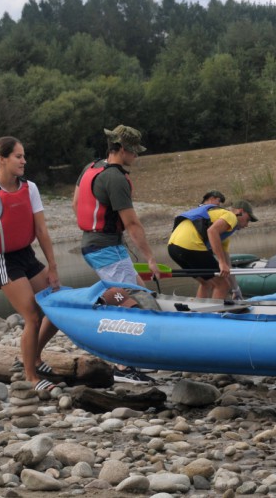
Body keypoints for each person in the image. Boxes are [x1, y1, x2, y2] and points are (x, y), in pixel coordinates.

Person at [72, 124, 160, 385]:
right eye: (133, 152)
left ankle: (139, 353)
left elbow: (76, 204)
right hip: (105, 248)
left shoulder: (91, 167)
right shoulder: (116, 178)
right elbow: (132, 223)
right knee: (129, 301)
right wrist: (151, 259)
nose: (136, 156)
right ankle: (123, 366)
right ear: (120, 149)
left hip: (100, 244)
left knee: (141, 290)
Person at [0, 137, 61, 391]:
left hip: (26, 254)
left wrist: (53, 266)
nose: (24, 161)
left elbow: (42, 230)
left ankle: (34, 356)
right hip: (2, 260)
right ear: (2, 159)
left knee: (57, 304)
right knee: (32, 316)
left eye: (24, 156)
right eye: (18, 156)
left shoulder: (30, 187)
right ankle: (31, 376)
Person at [168, 199, 257, 299]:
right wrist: (221, 263)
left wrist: (236, 290)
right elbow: (212, 231)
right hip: (190, 245)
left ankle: (199, 312)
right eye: (248, 219)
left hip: (173, 247)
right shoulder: (231, 216)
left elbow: (228, 266)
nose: (247, 225)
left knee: (206, 283)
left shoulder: (223, 236)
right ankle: (214, 313)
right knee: (223, 285)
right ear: (240, 211)